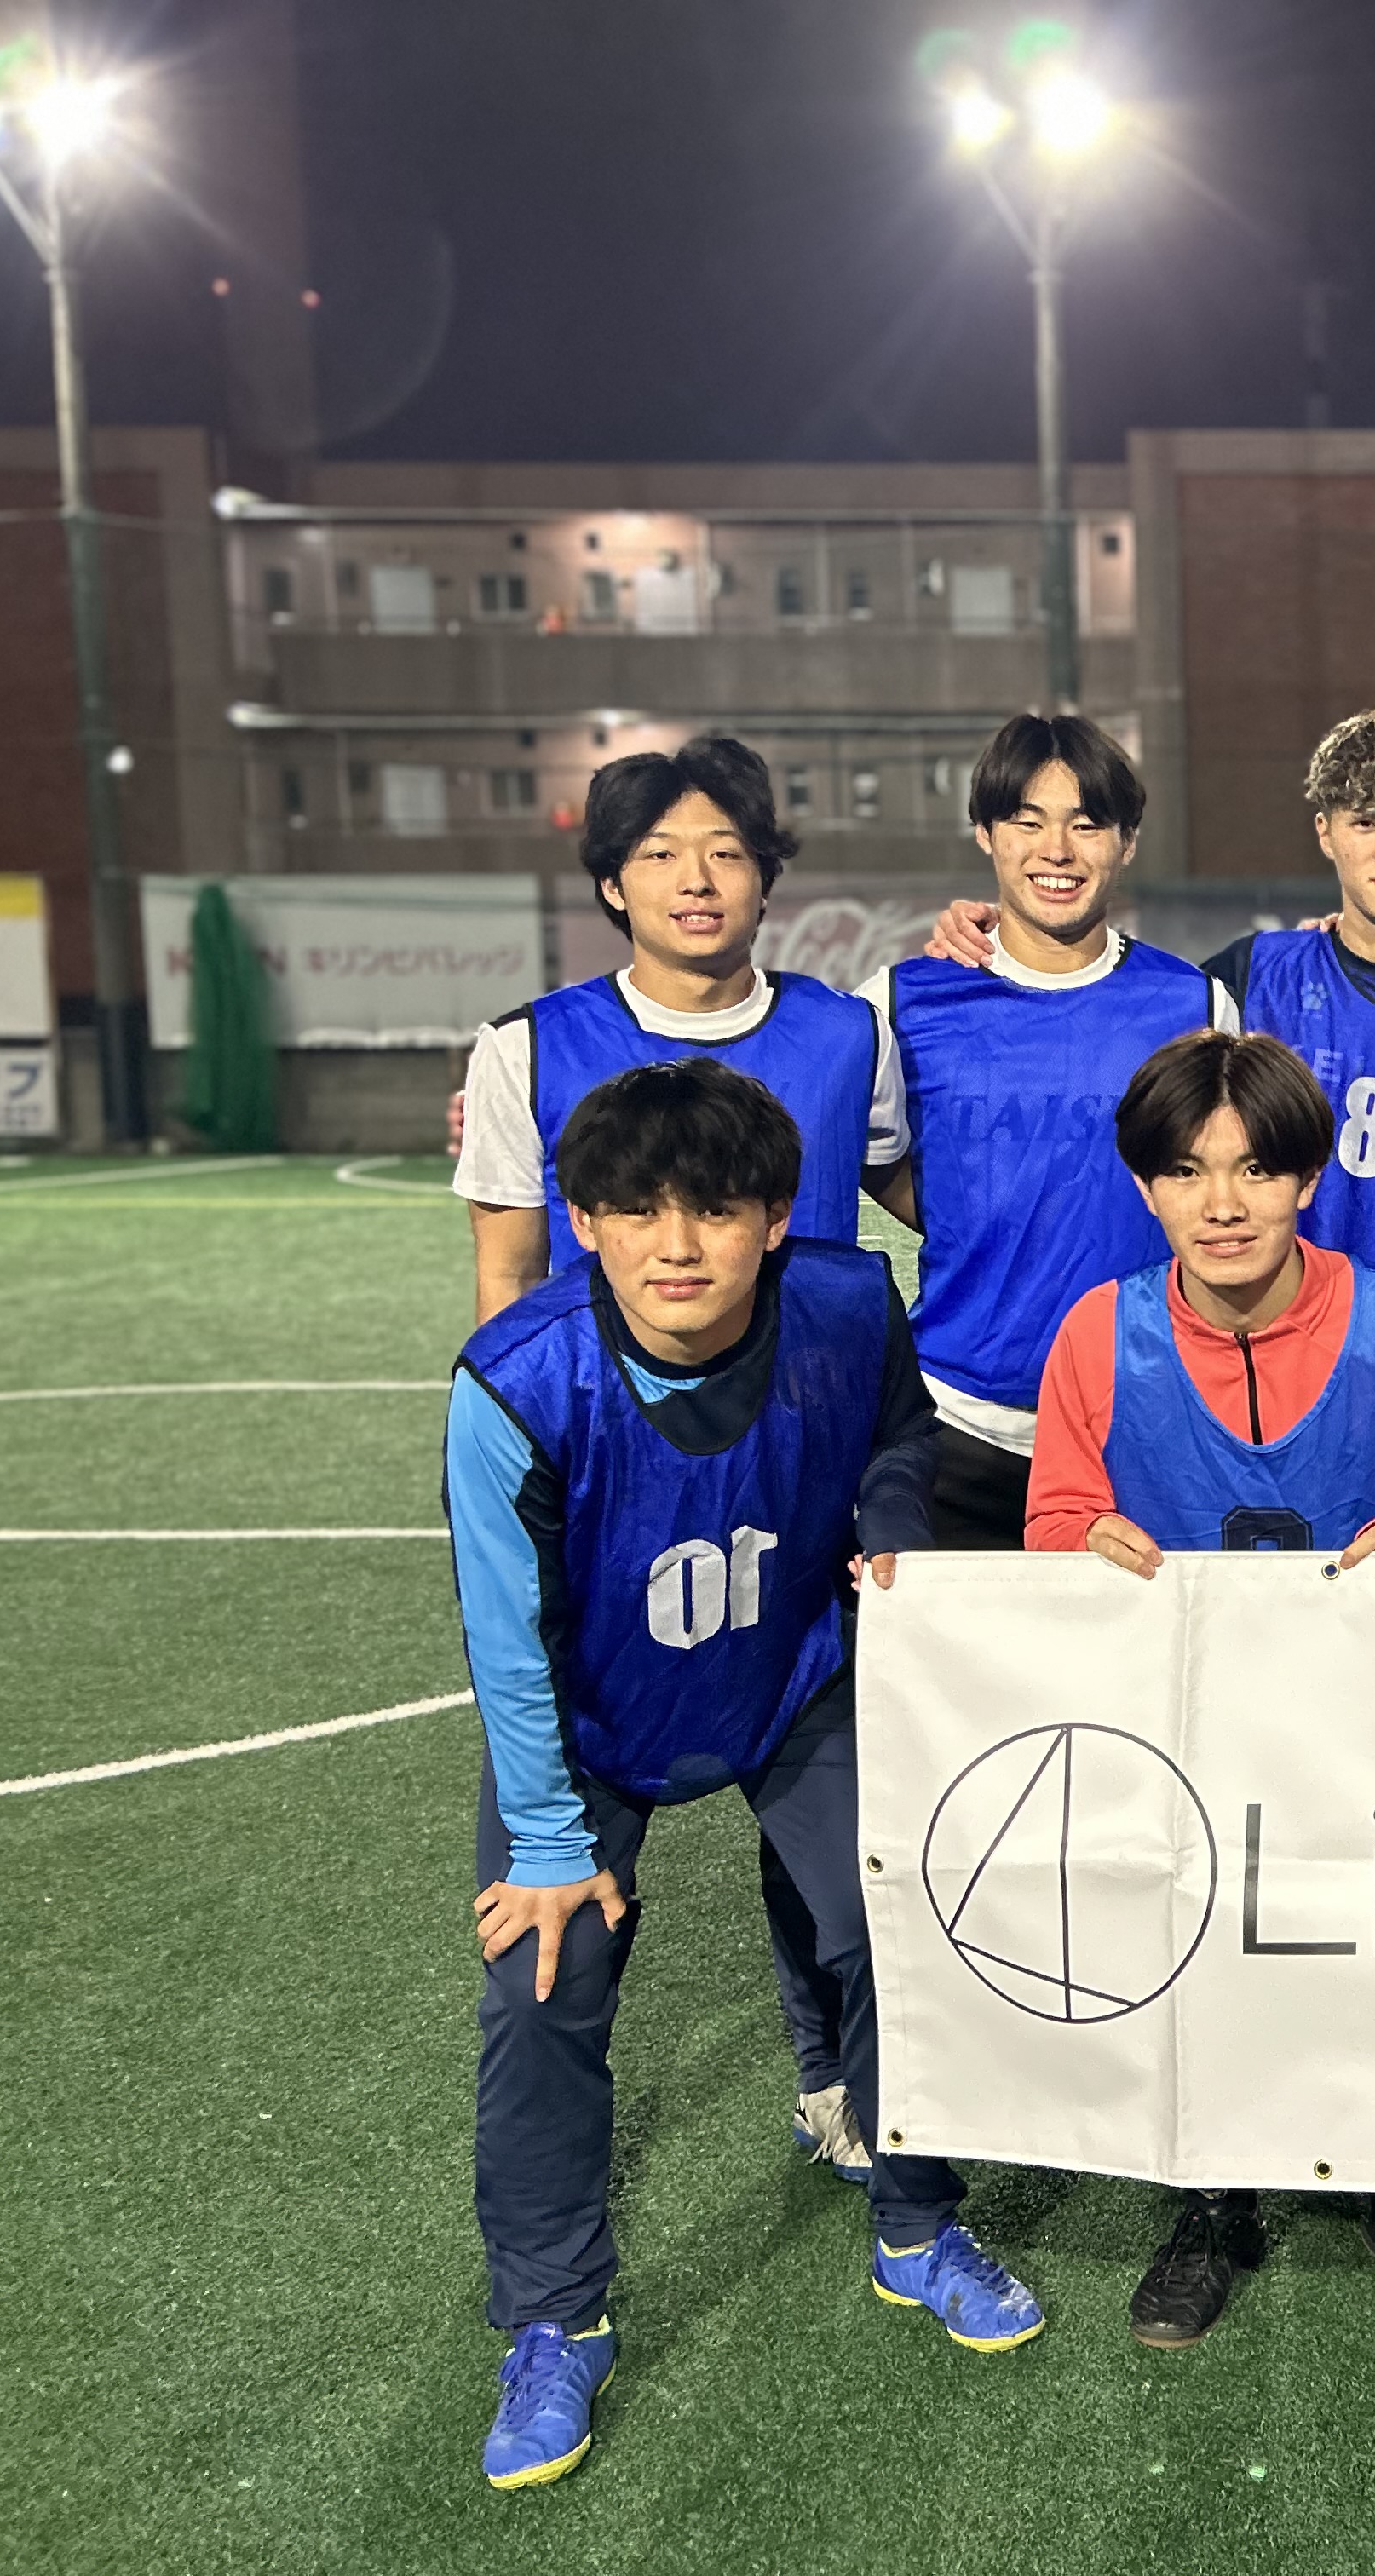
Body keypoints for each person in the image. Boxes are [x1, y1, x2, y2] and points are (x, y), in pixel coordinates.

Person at [449, 1061, 1043, 2493]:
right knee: (545, 1977)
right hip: (595, 1719)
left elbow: (900, 1433)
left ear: (776, 1219)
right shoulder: (514, 1381)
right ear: (582, 1220)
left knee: (894, 1919)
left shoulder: (846, 1300)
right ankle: (555, 2316)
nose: (677, 1244)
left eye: (715, 1209)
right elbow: (507, 1637)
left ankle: (915, 2220)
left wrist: (890, 1521)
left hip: (790, 1675)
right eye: (636, 1210)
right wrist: (548, 1842)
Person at [451, 733, 903, 2189]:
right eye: (659, 854)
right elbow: (508, 1278)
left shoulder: (848, 1032)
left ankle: (836, 2083)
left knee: (827, 1837)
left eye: (725, 851)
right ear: (610, 881)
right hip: (624, 1471)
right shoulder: (531, 1044)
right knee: (574, 1897)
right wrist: (532, 1447)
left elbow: (918, 1187)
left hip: (799, 1463)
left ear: (769, 875)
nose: (696, 879)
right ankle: (553, 2266)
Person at [1025, 1028, 1375, 2347]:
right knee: (1199, 1945)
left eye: (1254, 1170)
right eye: (1186, 1172)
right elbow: (1055, 1515)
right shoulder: (1098, 1334)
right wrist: (1079, 1542)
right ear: (1146, 1188)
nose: (1222, 1203)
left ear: (1306, 1180)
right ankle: (1212, 2197)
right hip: (1187, 1725)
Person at [939, 709, 1375, 1398]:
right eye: (1366, 822)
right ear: (1325, 832)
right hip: (1267, 1369)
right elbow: (1119, 1010)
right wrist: (1001, 936)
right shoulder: (1252, 977)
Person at [860, 712, 1236, 1548]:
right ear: (986, 833)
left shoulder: (1195, 1005)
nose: (1056, 851)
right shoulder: (902, 1001)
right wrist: (972, 1215)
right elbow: (872, 1160)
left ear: (1127, 842)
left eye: (1086, 824)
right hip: (953, 1420)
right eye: (1028, 822)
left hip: (1148, 1421)